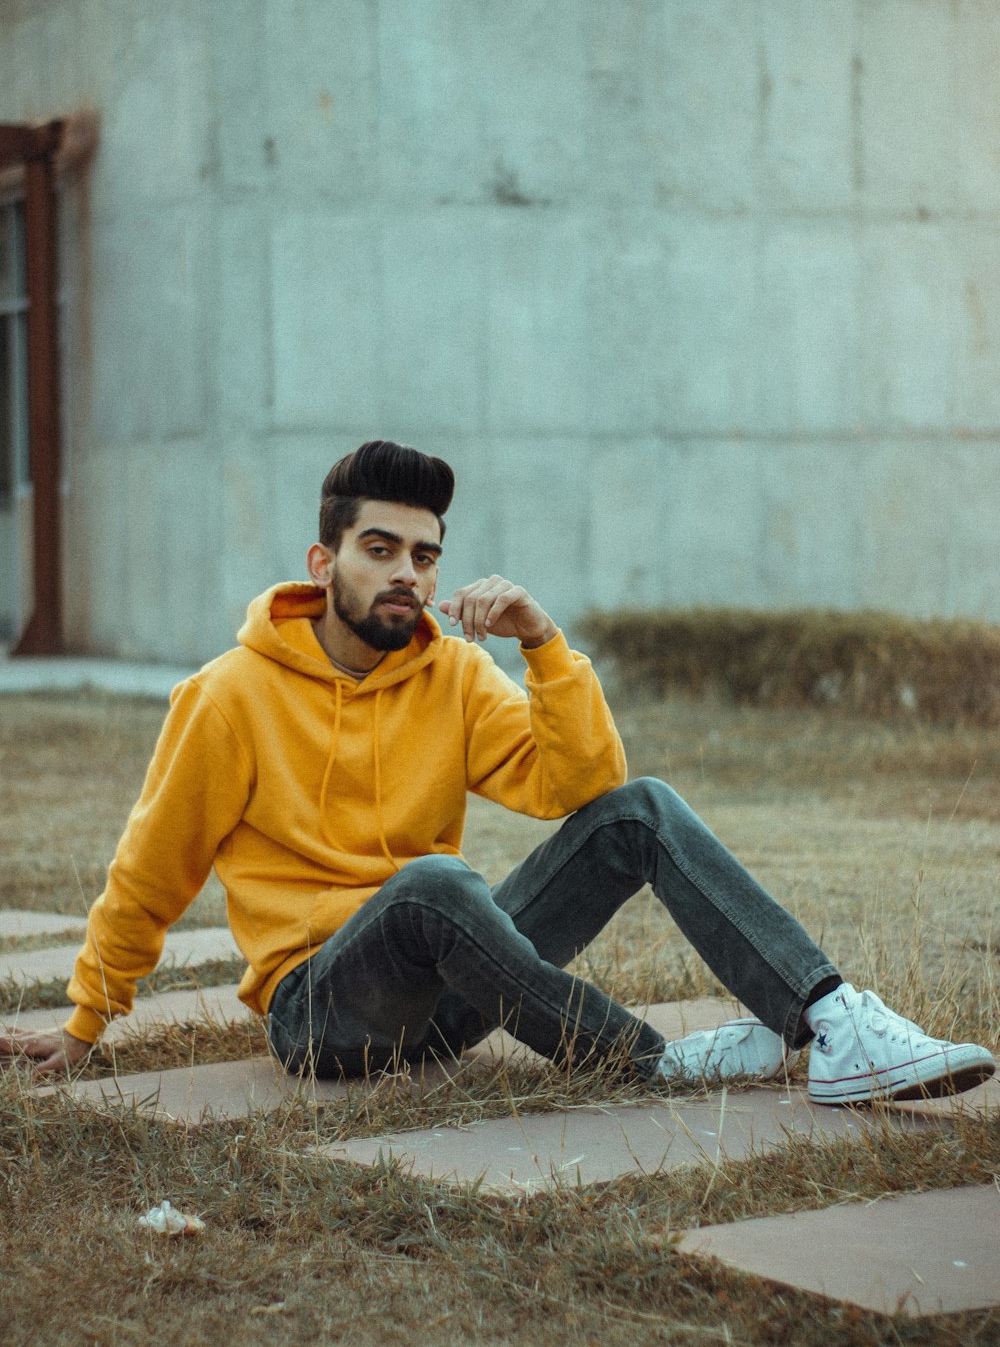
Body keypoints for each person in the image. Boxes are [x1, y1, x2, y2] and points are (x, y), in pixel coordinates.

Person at [2, 441, 995, 1105]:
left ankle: (833, 1022)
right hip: (326, 1014)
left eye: (425, 556)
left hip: (455, 993)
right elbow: (150, 872)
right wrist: (87, 1022)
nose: (408, 574)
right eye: (380, 548)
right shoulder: (226, 697)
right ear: (324, 560)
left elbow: (580, 786)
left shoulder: (453, 673)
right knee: (433, 884)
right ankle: (649, 1062)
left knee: (637, 810)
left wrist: (546, 646)